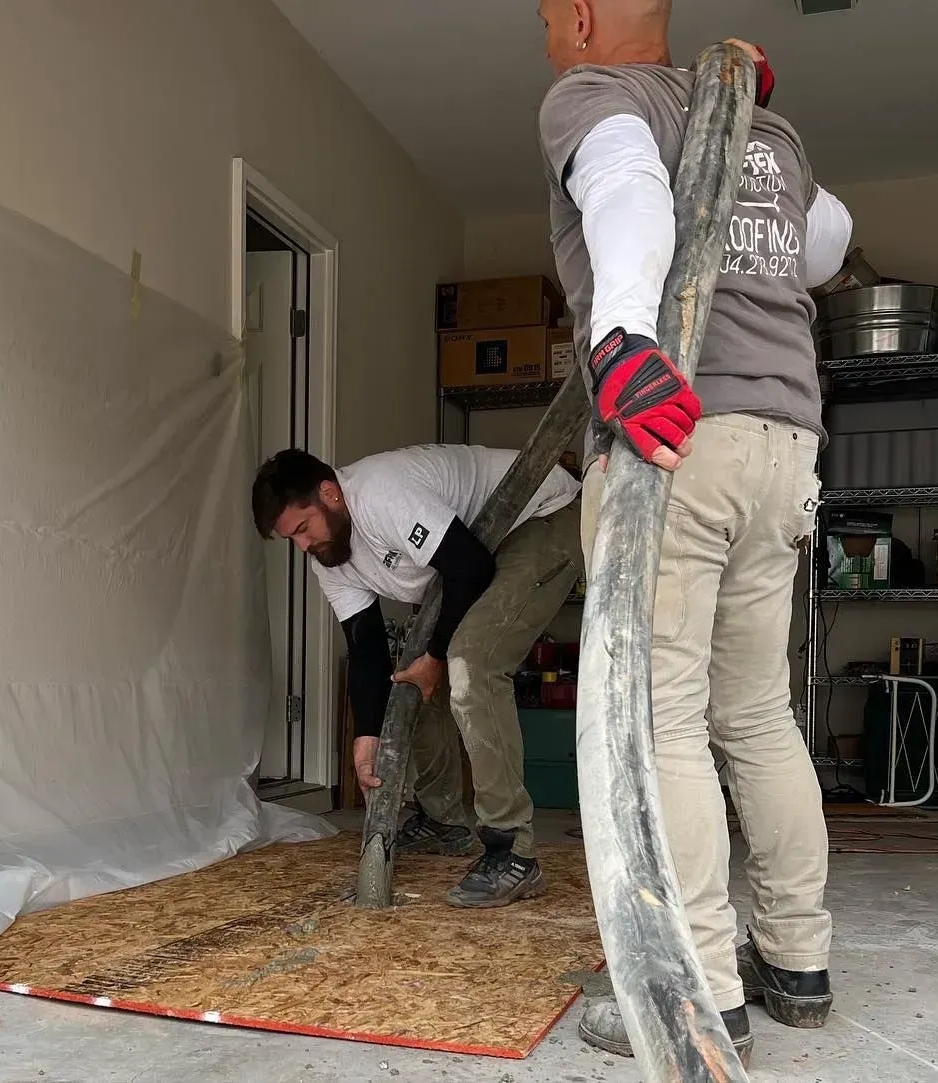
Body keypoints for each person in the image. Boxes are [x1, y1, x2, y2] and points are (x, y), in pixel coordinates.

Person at [534, 0, 854, 1065]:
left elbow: (626, 195)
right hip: (786, 443)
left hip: (680, 431)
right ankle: (798, 963)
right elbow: (823, 244)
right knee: (757, 711)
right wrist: (750, 132)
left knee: (663, 714)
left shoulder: (595, 96)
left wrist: (625, 339)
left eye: (544, 16)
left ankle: (701, 991)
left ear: (578, 16)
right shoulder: (766, 126)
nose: (545, 38)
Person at [251, 444, 581, 907]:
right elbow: (366, 649)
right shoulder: (331, 558)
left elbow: (470, 567)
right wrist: (366, 739)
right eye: (292, 539)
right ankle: (445, 822)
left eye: (304, 529)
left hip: (538, 514)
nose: (304, 546)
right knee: (412, 679)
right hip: (473, 551)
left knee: (471, 664)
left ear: (329, 493)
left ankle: (513, 852)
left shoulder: (382, 494)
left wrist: (435, 658)